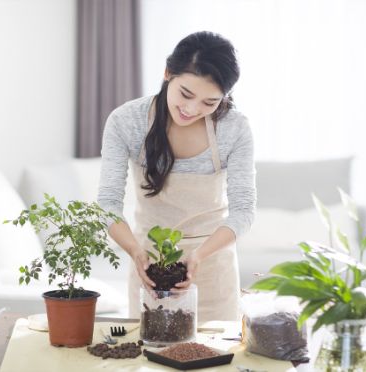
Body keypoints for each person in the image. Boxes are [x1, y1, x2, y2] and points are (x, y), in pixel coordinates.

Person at [97, 31, 256, 322]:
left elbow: (244, 212)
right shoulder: (126, 121)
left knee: (213, 363)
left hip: (212, 270)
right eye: (186, 94)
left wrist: (197, 256)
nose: (192, 109)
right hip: (150, 270)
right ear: (168, 72)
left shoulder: (235, 128)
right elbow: (107, 203)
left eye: (210, 102)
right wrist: (135, 251)